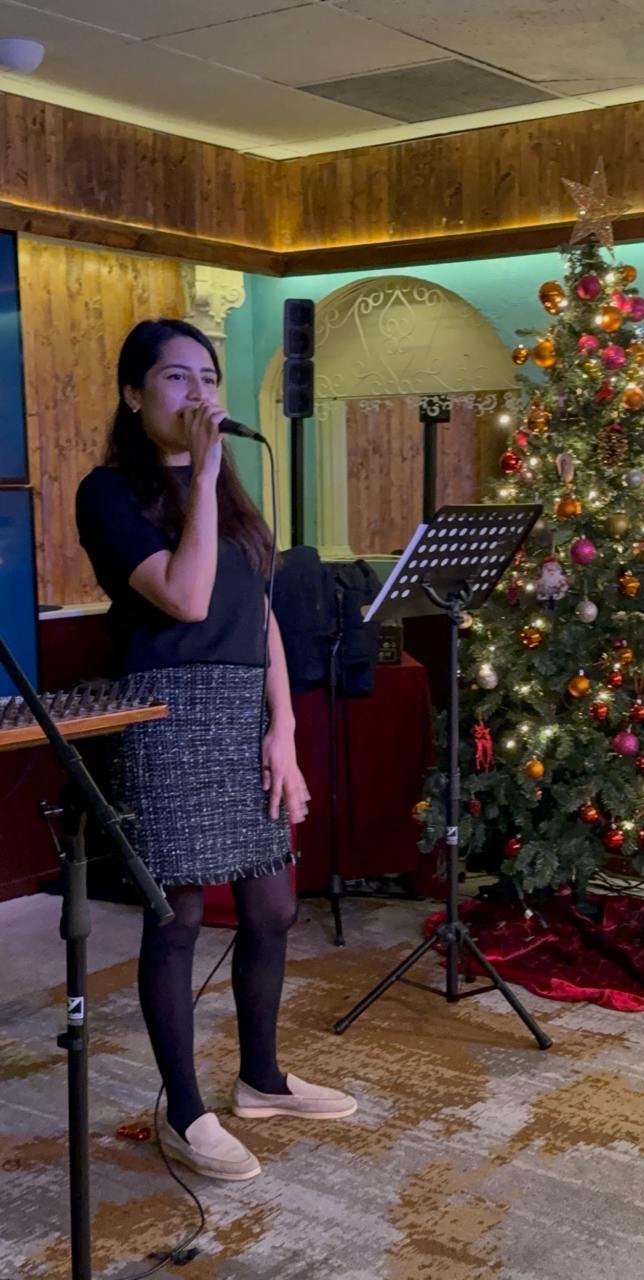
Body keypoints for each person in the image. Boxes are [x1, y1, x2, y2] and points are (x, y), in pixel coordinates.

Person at [76, 318, 356, 1183]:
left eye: (208, 377)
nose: (199, 394)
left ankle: (261, 1079)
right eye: (176, 378)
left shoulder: (228, 491)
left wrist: (285, 730)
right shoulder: (109, 493)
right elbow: (189, 597)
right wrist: (199, 477)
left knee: (272, 908)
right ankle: (186, 1112)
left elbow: (259, 613)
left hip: (244, 711)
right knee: (181, 915)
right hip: (167, 714)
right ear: (133, 395)